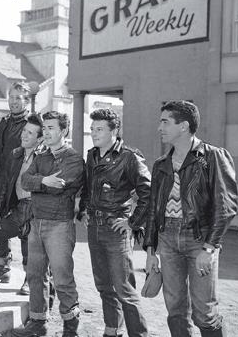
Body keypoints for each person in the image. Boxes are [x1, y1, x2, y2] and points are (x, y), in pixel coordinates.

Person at [144, 101, 237, 337]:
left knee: (204, 313)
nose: (160, 127)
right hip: (167, 240)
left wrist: (209, 247)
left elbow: (226, 207)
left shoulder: (213, 157)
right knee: (175, 309)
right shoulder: (161, 164)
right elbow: (153, 208)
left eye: (165, 122)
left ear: (183, 126)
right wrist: (150, 251)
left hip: (199, 240)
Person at [80, 108, 150, 337]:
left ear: (114, 131)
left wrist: (133, 222)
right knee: (103, 286)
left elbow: (149, 193)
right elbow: (87, 187)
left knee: (124, 289)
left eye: (99, 129)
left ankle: (138, 334)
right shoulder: (91, 155)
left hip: (116, 231)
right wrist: (84, 211)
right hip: (94, 228)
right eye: (92, 128)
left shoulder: (129, 157)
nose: (94, 133)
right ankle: (112, 331)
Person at [14, 111, 85, 337]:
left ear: (64, 131)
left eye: (51, 128)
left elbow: (60, 186)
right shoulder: (41, 156)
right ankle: (37, 323)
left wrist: (39, 184)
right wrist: (45, 180)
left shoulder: (73, 159)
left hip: (59, 226)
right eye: (44, 128)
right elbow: (25, 181)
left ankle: (70, 328)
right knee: (35, 275)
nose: (46, 132)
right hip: (36, 223)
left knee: (62, 278)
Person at [0, 113, 44, 300]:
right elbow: (5, 185)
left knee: (31, 248)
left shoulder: (45, 158)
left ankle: (30, 282)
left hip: (37, 211)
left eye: (30, 133)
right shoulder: (15, 154)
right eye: (24, 131)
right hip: (19, 210)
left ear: (40, 139)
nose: (24, 135)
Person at [0, 82, 31, 289]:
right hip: (2, 181)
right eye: (11, 97)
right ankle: (2, 268)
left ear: (26, 101)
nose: (13, 101)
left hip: (22, 182)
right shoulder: (4, 121)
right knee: (0, 224)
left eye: (18, 98)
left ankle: (30, 277)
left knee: (26, 229)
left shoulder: (33, 123)